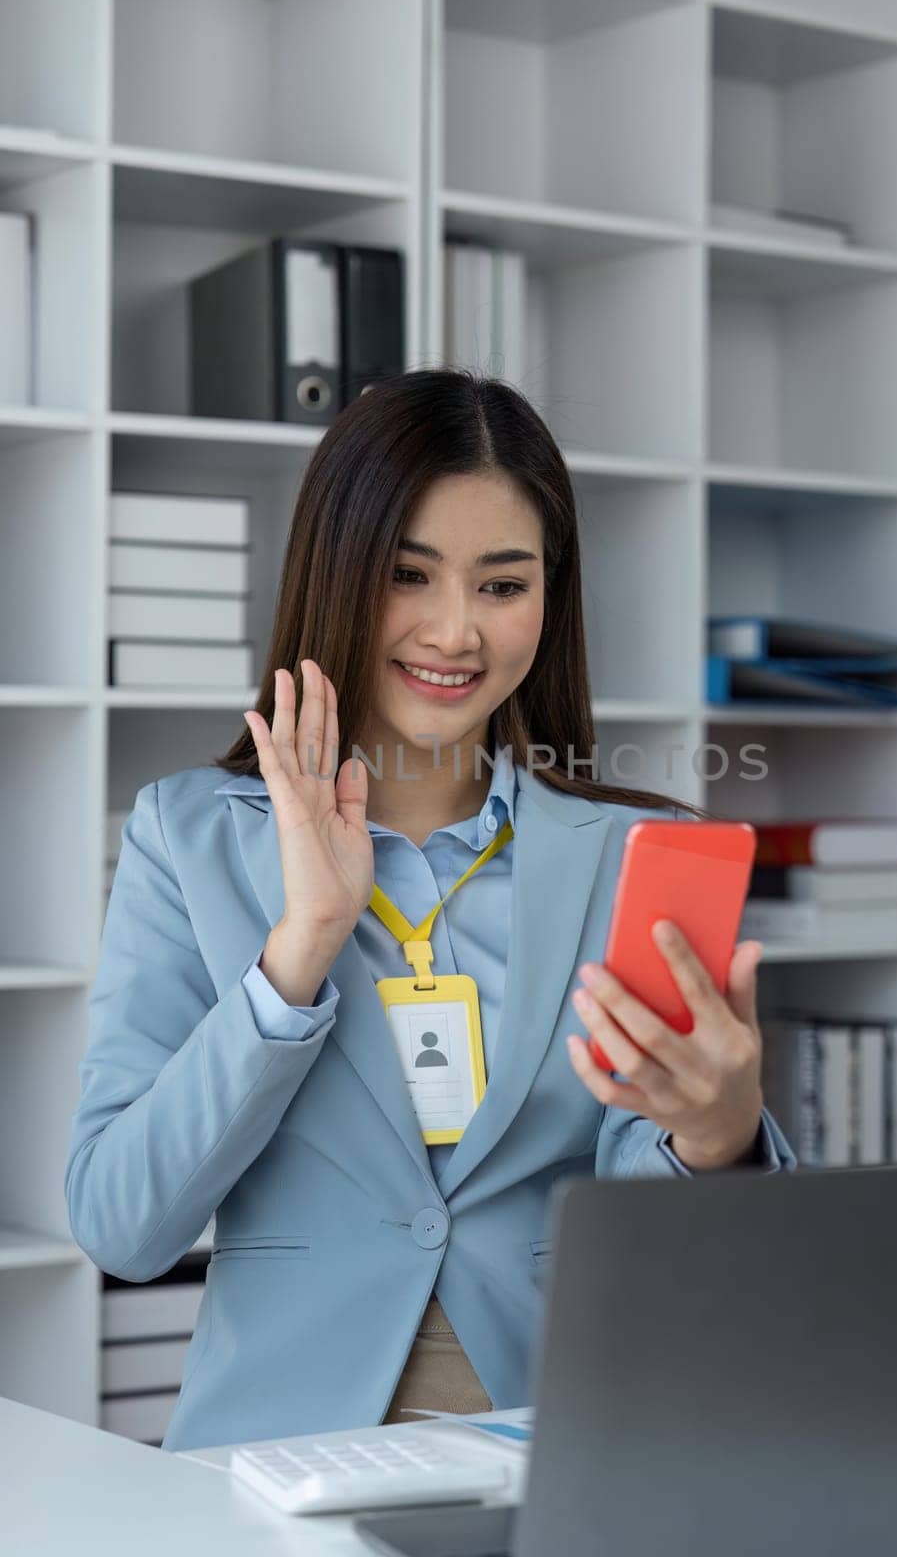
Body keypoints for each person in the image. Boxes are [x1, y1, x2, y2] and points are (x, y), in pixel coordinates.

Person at [65, 368, 796, 1453]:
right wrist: (298, 949)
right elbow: (124, 1225)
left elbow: (684, 1256)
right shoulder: (189, 837)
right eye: (410, 575)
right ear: (338, 569)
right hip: (278, 1457)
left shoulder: (636, 856)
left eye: (502, 586)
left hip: (570, 1443)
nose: (455, 632)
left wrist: (719, 1133)